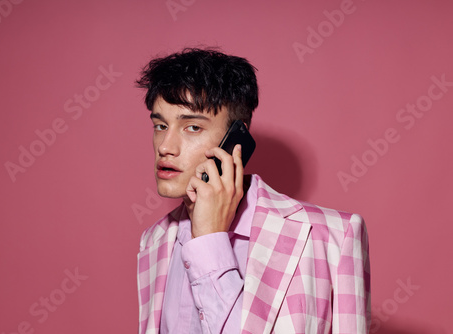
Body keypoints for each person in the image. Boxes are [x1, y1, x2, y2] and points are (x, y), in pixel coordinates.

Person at [136, 48, 370, 334]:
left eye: (193, 127)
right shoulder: (156, 241)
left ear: (237, 138)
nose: (165, 146)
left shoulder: (332, 236)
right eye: (160, 125)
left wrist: (210, 239)